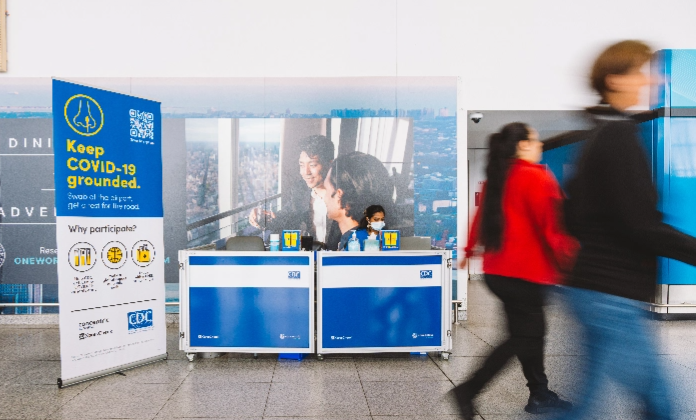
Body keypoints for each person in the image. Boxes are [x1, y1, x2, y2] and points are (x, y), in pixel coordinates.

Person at [562, 40, 696, 420]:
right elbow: (642, 227)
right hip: (612, 294)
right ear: (615, 79)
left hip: (596, 288)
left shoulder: (599, 134)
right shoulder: (618, 136)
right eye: (640, 71)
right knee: (660, 404)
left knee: (587, 406)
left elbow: (574, 217)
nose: (649, 79)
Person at [452, 123, 579, 419]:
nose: (540, 145)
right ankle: (469, 390)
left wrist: (469, 252)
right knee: (523, 337)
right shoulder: (536, 176)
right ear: (522, 145)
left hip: (498, 273)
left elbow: (480, 219)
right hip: (525, 275)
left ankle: (539, 394)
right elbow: (552, 227)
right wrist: (571, 262)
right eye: (536, 140)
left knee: (530, 334)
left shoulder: (500, 177)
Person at [248, 134, 340, 249]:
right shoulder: (300, 190)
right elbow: (286, 215)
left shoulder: (341, 194)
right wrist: (266, 217)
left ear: (330, 164)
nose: (305, 172)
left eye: (312, 165)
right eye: (301, 165)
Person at [321, 151, 394, 251]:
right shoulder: (380, 244)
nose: (324, 197)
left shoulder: (350, 254)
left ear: (339, 196)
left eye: (326, 190)